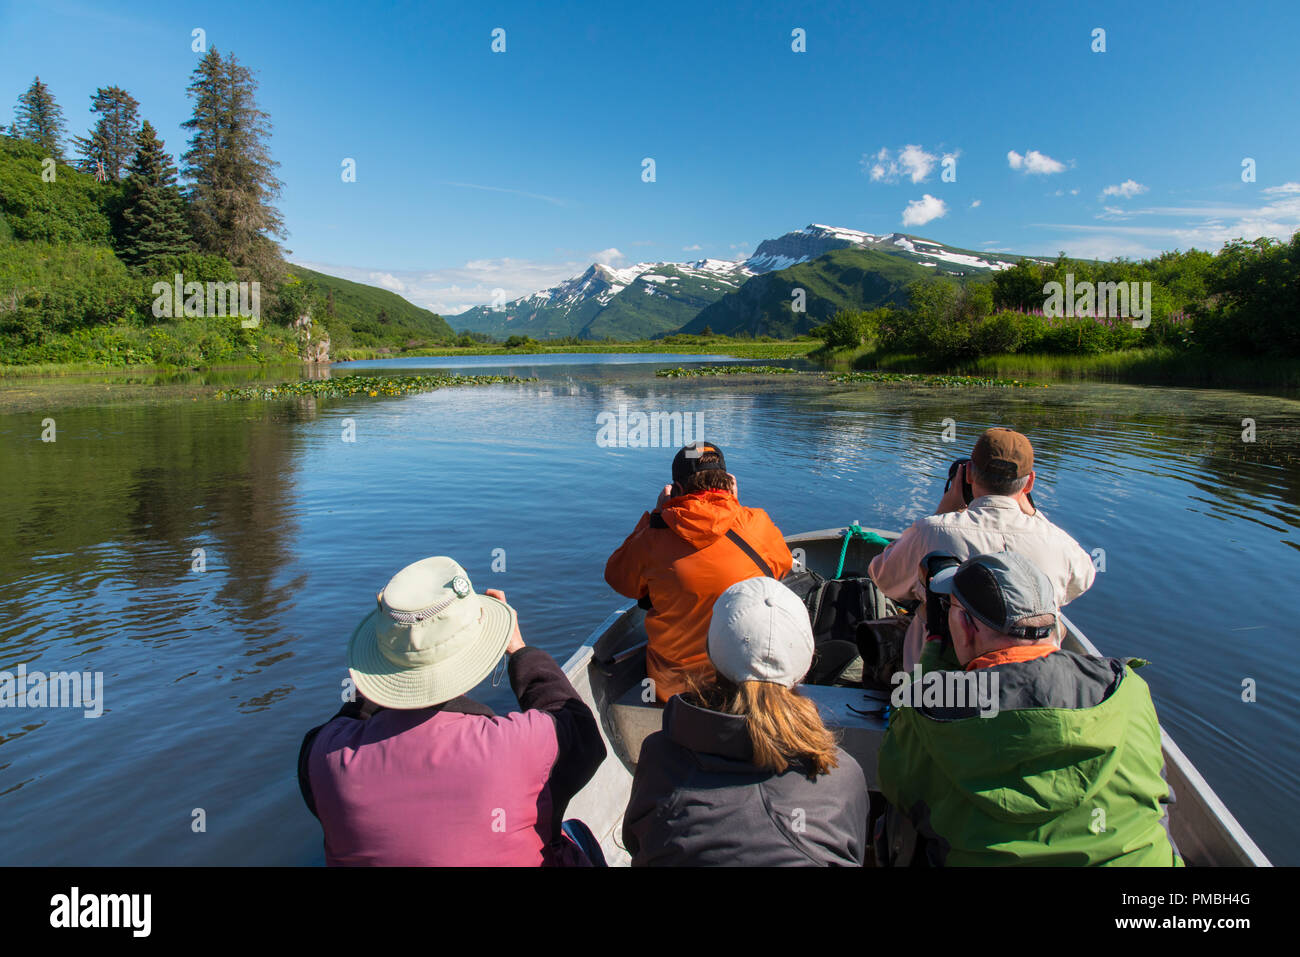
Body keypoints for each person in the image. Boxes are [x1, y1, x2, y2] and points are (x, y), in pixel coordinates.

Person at [876, 551, 1181, 866]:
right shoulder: (1126, 688)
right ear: (1053, 623)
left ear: (965, 628)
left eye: (951, 609)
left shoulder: (930, 713)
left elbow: (895, 782)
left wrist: (935, 650)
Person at [297, 556, 607, 866]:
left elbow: (346, 720)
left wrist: (389, 664)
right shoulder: (515, 744)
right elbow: (583, 735)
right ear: (481, 643)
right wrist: (520, 650)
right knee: (574, 833)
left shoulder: (322, 757)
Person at [623, 576, 869, 866]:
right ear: (806, 661)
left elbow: (635, 842)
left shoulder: (659, 756)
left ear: (712, 651)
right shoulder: (841, 775)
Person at [868, 427, 1095, 671]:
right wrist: (1034, 515)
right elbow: (1082, 581)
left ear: (968, 476)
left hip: (940, 684)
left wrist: (942, 514)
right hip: (1036, 676)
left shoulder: (931, 531)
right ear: (1029, 482)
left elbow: (883, 579)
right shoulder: (1058, 542)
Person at [605, 442, 793, 701]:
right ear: (728, 482)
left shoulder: (653, 537)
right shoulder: (757, 525)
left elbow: (617, 578)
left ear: (677, 490)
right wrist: (734, 507)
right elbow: (781, 569)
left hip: (674, 690)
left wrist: (656, 516)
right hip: (744, 685)